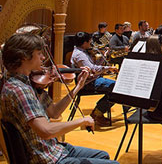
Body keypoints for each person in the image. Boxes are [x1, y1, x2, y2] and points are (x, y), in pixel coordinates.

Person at [0, 33, 119, 164]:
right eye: (39, 53)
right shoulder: (20, 90)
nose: (43, 57)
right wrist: (82, 121)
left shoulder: (25, 83)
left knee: (103, 155)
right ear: (24, 56)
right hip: (46, 158)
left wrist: (78, 87)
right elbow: (46, 131)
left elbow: (54, 112)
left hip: (53, 148)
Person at [71, 32, 118, 126]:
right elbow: (93, 70)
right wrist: (108, 68)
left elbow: (94, 66)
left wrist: (104, 55)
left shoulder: (82, 51)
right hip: (89, 83)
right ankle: (97, 113)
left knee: (116, 87)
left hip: (93, 79)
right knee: (117, 89)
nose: (91, 44)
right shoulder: (80, 55)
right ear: (84, 43)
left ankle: (98, 112)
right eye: (89, 42)